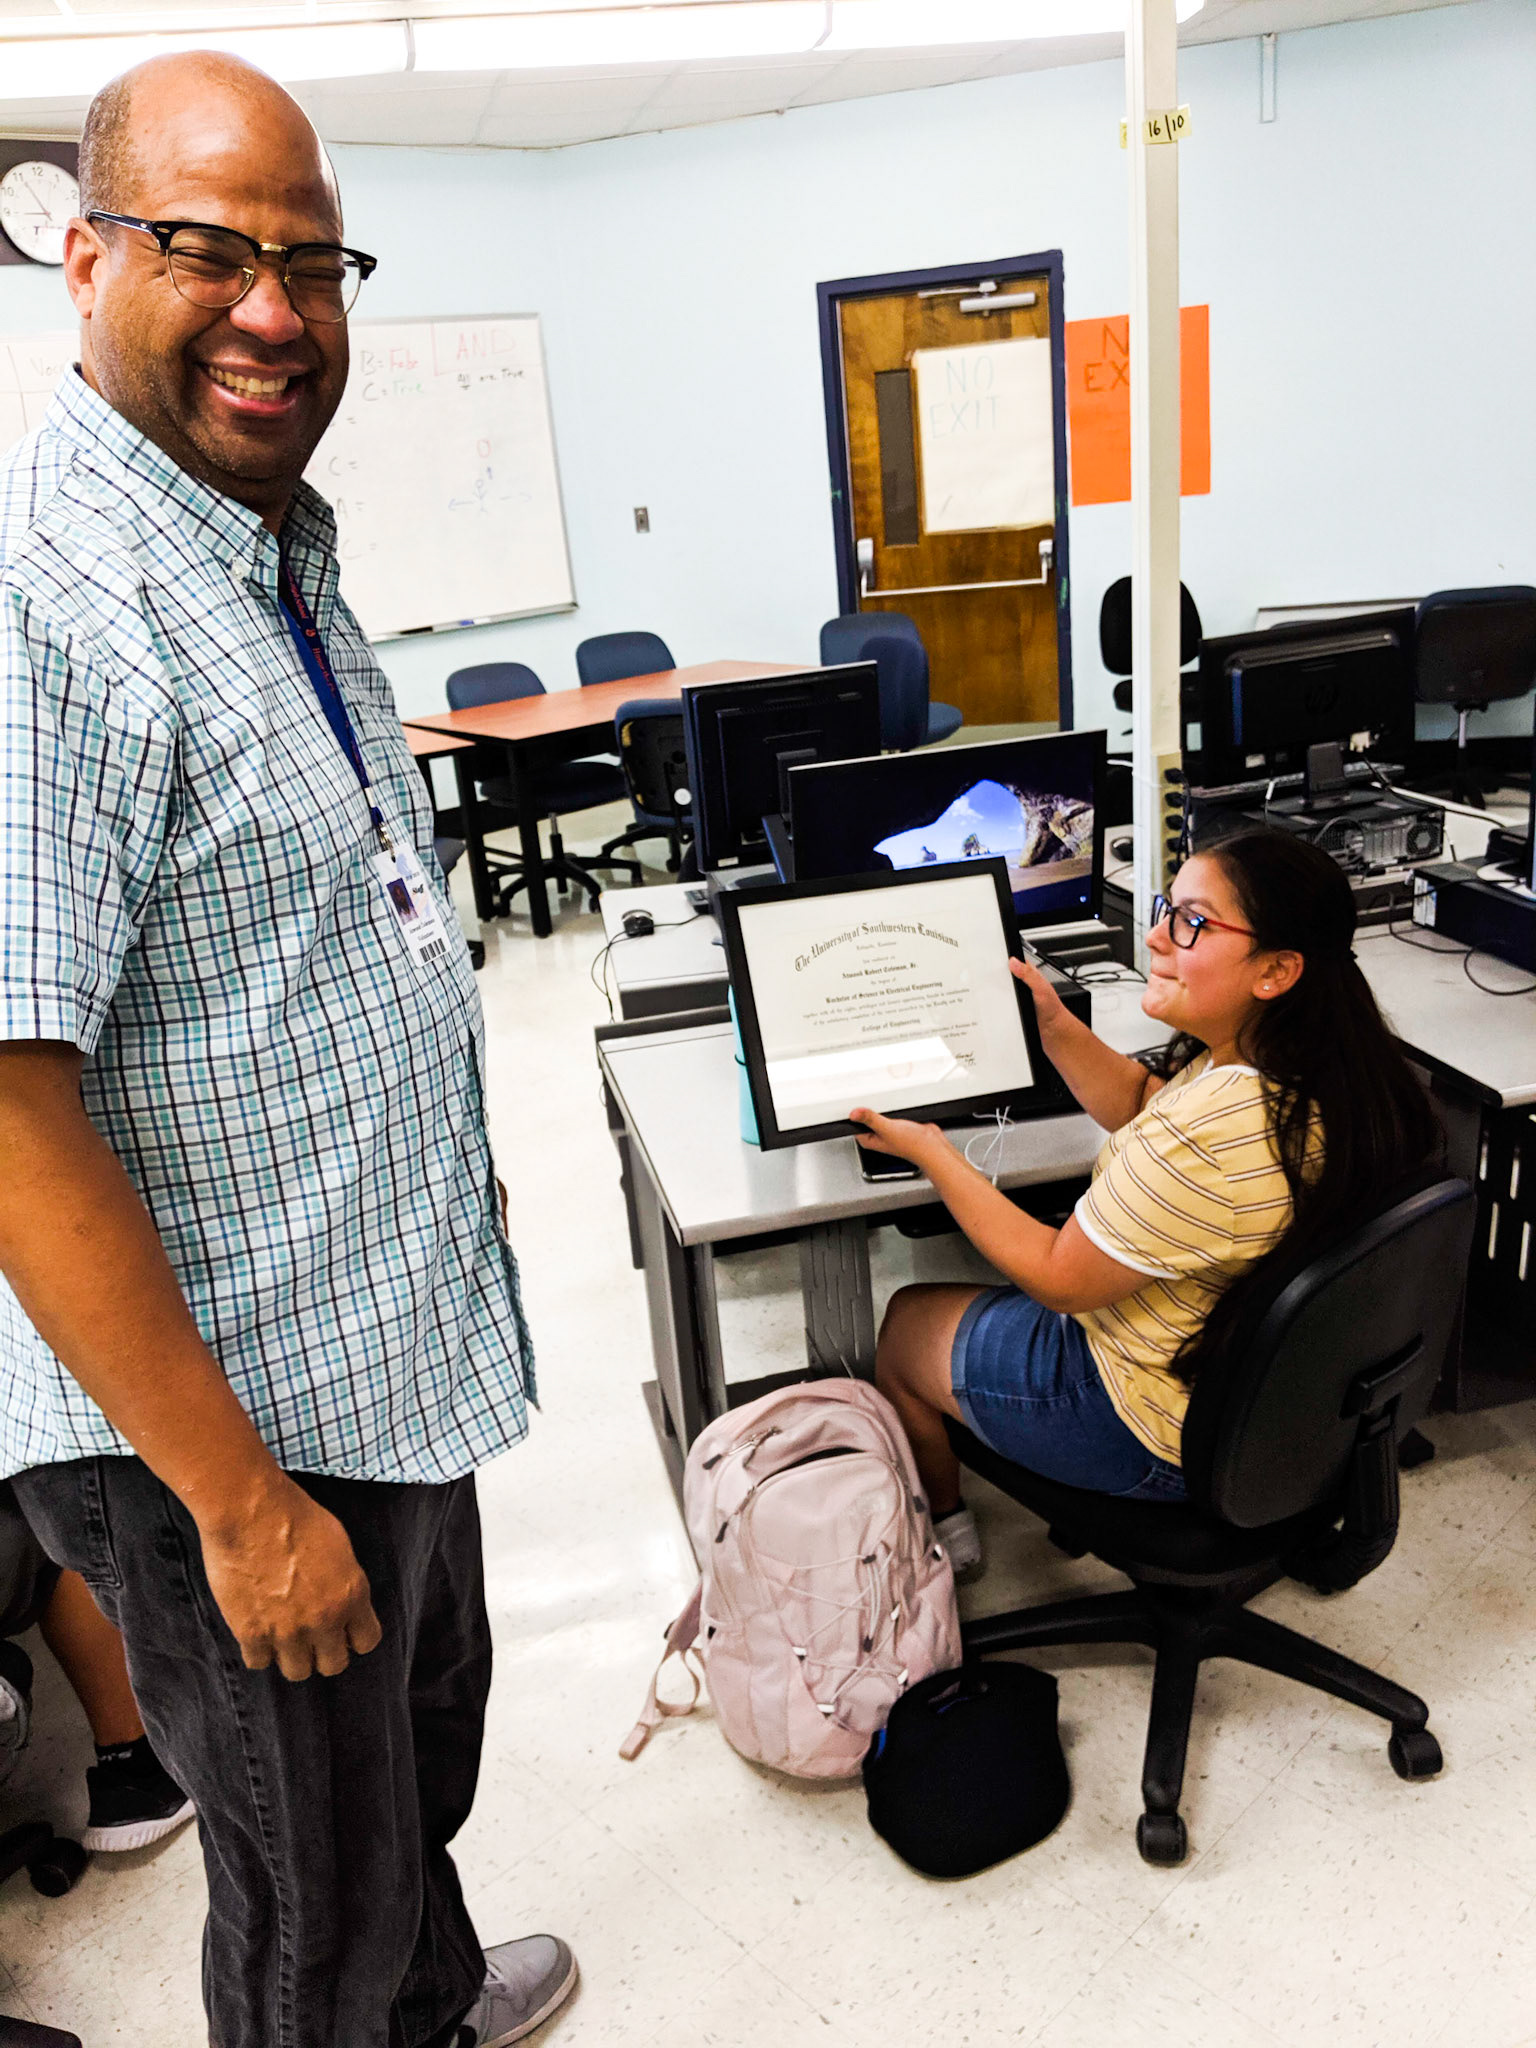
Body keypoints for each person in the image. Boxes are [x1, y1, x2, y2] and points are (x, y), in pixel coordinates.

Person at [0, 52, 575, 2048]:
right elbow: (11, 1115)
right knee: (310, 1907)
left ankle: (432, 1999)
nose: (274, 309)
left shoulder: (256, 544)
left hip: (374, 1340)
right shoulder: (52, 608)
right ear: (86, 260)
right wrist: (241, 1508)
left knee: (407, 1780)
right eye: (208, 251)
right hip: (224, 1430)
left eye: (313, 263)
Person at [851, 828, 1441, 1578]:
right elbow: (1143, 1100)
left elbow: (1059, 1278)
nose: (1156, 937)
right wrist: (1055, 1027)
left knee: (907, 1325)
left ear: (1276, 970)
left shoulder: (1207, 1140)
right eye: (1168, 909)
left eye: (1192, 922)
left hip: (1148, 1424)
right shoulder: (1314, 1069)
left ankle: (949, 1541)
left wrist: (934, 1153)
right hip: (1266, 1407)